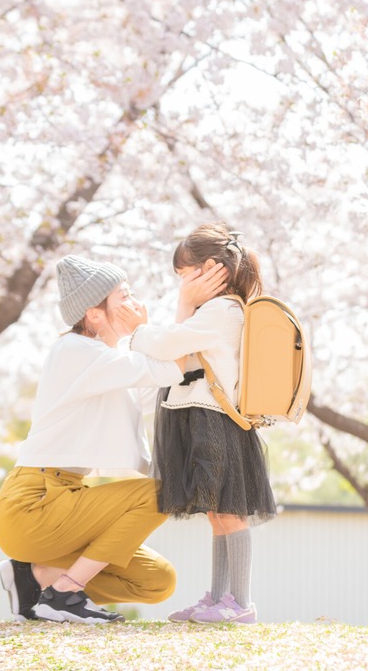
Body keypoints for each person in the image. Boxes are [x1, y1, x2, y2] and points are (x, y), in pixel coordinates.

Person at [0, 253, 227, 624]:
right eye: (125, 297)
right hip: (33, 505)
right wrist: (185, 306)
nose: (137, 306)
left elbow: (163, 388)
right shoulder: (76, 351)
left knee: (156, 582)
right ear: (95, 315)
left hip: (62, 500)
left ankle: (34, 576)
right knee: (164, 492)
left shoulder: (105, 361)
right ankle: (66, 592)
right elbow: (168, 366)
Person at [119, 222, 277, 625]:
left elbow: (168, 344)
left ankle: (240, 603)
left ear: (208, 268)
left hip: (214, 421)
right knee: (217, 513)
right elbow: (175, 355)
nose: (182, 282)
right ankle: (220, 598)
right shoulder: (212, 313)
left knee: (229, 512)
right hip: (201, 418)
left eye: (184, 274)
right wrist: (185, 306)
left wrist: (147, 324)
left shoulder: (223, 311)